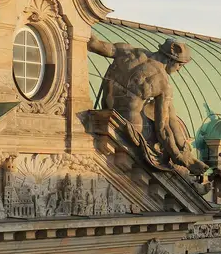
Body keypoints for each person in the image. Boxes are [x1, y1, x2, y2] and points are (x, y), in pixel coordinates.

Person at [87, 35, 205, 175]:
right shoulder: (163, 84)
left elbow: (94, 44)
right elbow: (163, 129)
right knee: (168, 112)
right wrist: (179, 157)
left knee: (166, 109)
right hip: (133, 127)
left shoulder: (129, 52)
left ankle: (183, 148)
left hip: (108, 115)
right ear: (170, 59)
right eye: (180, 64)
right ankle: (185, 153)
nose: (179, 70)